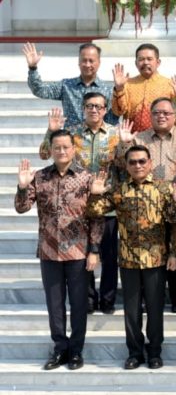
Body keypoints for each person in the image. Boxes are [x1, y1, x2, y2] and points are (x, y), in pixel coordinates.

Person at [86, 145, 176, 370]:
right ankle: (135, 352)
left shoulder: (163, 188)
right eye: (133, 162)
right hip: (128, 259)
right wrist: (95, 193)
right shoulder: (119, 191)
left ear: (149, 163)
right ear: (127, 165)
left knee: (155, 308)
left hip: (156, 259)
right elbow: (94, 211)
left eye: (142, 161)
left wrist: (175, 253)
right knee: (131, 311)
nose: (137, 166)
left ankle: (155, 352)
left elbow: (175, 223)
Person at [15, 130, 102, 371]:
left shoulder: (86, 178)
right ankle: (60, 348)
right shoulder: (40, 177)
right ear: (50, 150)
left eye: (66, 147)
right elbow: (22, 208)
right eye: (57, 147)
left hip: (78, 252)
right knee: (54, 304)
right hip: (49, 251)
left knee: (78, 303)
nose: (62, 151)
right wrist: (23, 187)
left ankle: (76, 351)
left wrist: (94, 249)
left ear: (73, 149)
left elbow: (96, 216)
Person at [39, 94, 121, 315]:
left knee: (109, 256)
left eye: (98, 106)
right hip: (78, 206)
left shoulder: (115, 134)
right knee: (84, 256)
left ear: (105, 110)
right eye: (89, 106)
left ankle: (108, 299)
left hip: (108, 204)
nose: (94, 110)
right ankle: (89, 299)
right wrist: (51, 131)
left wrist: (127, 142)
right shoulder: (73, 133)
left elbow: (124, 165)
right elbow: (45, 153)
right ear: (83, 108)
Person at [116, 97, 176, 313]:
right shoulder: (139, 138)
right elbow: (123, 164)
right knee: (149, 251)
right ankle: (145, 297)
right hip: (146, 200)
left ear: (175, 116)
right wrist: (124, 144)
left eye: (166, 113)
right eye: (156, 113)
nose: (161, 116)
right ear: (150, 116)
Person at [24, 42, 117, 128]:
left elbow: (111, 121)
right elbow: (40, 90)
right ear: (79, 62)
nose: (87, 65)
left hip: (96, 142)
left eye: (91, 61)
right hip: (71, 141)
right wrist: (33, 68)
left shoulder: (107, 91)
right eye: (84, 60)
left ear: (99, 63)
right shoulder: (67, 86)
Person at [111, 44, 176, 133]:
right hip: (132, 138)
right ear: (136, 63)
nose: (145, 62)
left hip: (161, 139)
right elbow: (118, 112)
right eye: (141, 59)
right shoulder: (127, 84)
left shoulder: (170, 85)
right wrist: (119, 89)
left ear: (158, 62)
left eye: (149, 59)